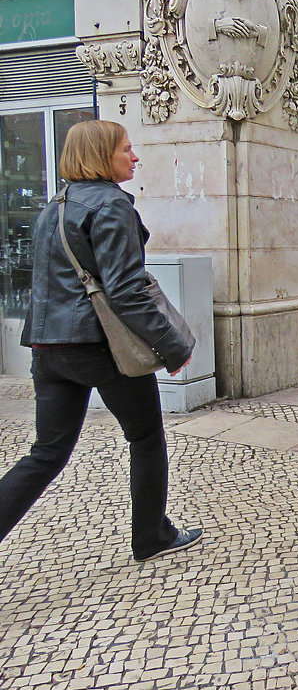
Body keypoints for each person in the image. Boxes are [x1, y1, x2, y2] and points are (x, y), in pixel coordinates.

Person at [0, 120, 201, 563]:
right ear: (101, 155)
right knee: (146, 435)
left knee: (46, 453)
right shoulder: (110, 206)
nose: (134, 157)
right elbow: (125, 291)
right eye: (126, 149)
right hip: (99, 348)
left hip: (47, 348)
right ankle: (152, 536)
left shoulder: (54, 205)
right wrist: (173, 347)